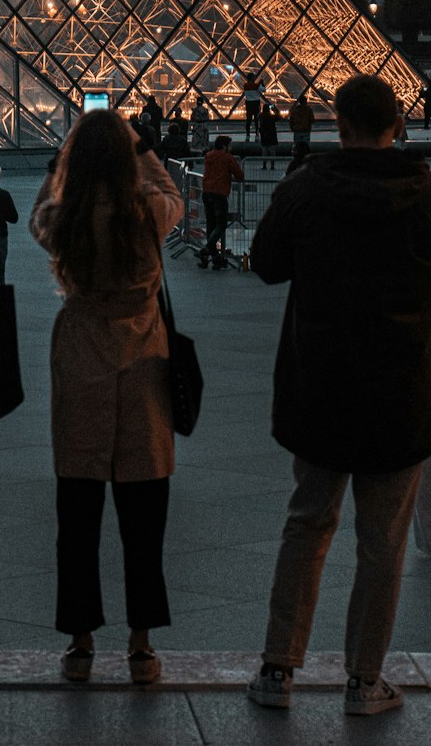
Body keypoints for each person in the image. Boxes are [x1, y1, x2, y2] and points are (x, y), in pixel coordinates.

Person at [248, 74, 431, 717]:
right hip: (401, 391)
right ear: (397, 124)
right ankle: (364, 680)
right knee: (383, 543)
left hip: (318, 383)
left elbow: (266, 263)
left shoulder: (306, 187)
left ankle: (277, 668)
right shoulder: (425, 192)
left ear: (338, 122)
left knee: (307, 525)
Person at [31, 111, 183, 685]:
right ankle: (141, 646)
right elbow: (172, 190)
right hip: (144, 357)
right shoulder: (148, 212)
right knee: (144, 513)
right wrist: (138, 145)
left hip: (81, 356)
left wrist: (64, 159)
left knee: (78, 512)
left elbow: (37, 213)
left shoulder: (62, 218)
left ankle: (80, 642)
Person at [199, 136, 243, 270]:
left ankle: (215, 258)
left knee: (211, 225)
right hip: (219, 193)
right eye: (230, 145)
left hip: (206, 192)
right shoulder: (227, 158)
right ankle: (207, 249)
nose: (231, 148)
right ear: (225, 146)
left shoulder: (209, 156)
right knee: (221, 224)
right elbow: (240, 175)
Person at [242, 72, 263, 141]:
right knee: (256, 119)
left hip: (248, 104)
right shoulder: (256, 85)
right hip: (256, 103)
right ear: (251, 78)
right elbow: (264, 89)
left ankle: (248, 133)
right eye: (254, 77)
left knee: (248, 119)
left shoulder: (245, 85)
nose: (255, 78)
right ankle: (257, 132)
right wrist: (261, 83)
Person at [259, 100, 279, 171]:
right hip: (272, 136)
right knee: (272, 152)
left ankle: (264, 165)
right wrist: (275, 109)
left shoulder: (261, 116)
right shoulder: (272, 117)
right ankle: (272, 166)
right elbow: (279, 116)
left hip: (264, 137)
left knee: (264, 152)